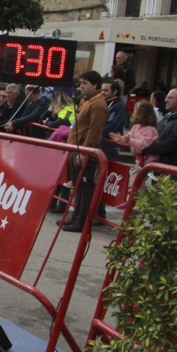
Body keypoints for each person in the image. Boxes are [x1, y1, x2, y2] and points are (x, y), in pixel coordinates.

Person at [60, 70, 108, 233]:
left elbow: (94, 131)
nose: (81, 87)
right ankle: (75, 216)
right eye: (80, 83)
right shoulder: (87, 101)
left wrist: (85, 152)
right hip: (77, 148)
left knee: (85, 187)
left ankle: (82, 219)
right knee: (78, 186)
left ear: (95, 85)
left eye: (85, 83)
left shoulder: (98, 104)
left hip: (84, 151)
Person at [141, 88, 177, 168]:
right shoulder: (167, 117)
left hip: (173, 168)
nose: (166, 100)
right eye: (166, 97)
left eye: (170, 98)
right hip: (160, 166)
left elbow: (171, 143)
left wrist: (143, 147)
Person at [111, 101, 160, 169]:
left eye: (135, 112)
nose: (133, 114)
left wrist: (129, 140)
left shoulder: (150, 129)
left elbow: (143, 144)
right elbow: (129, 137)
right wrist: (121, 139)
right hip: (139, 159)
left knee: (139, 177)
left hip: (149, 161)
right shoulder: (136, 127)